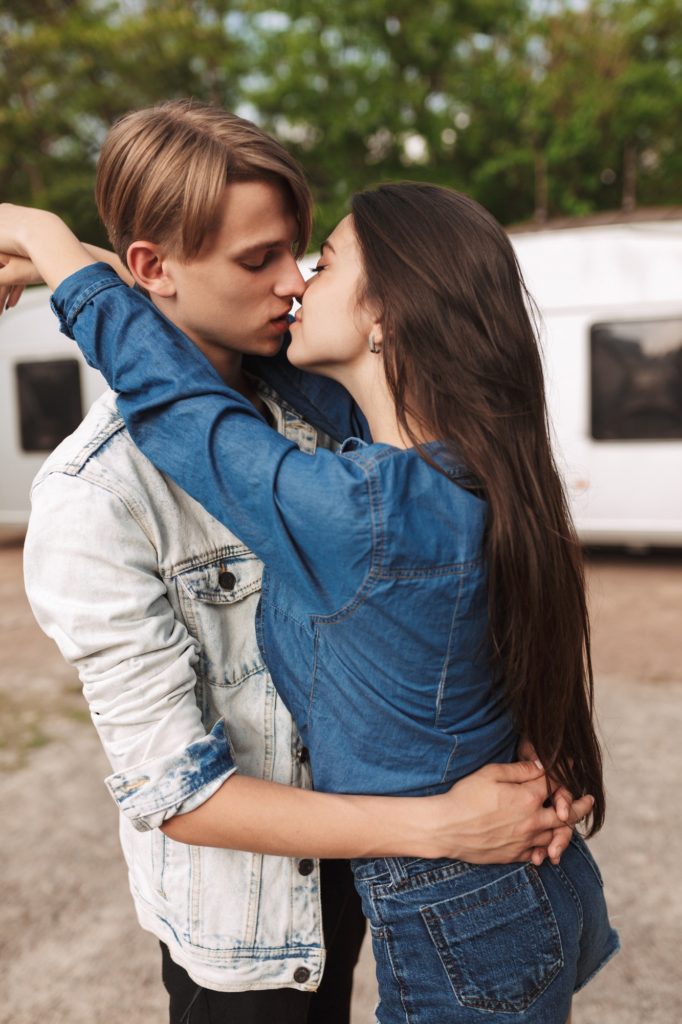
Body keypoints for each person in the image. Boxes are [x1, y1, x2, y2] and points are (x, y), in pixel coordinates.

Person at [0, 105, 588, 1024]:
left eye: (306, 255)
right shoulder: (98, 494)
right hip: (257, 930)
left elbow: (181, 394)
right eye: (257, 260)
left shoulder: (335, 426)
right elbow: (176, 792)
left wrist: (58, 247)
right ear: (154, 268)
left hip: (380, 888)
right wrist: (443, 823)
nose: (294, 284)